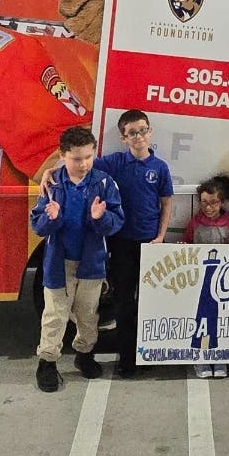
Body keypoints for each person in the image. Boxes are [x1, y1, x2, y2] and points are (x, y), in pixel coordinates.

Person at [30, 125, 123, 393]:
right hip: (59, 265)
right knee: (55, 316)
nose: (83, 164)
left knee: (87, 315)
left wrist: (100, 218)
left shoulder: (104, 183)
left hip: (91, 264)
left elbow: (116, 221)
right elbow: (38, 225)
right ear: (63, 155)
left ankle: (84, 354)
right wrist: (52, 217)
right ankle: (47, 363)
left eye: (88, 157)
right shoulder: (52, 184)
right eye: (76, 158)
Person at [93, 109, 175, 377]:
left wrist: (161, 237)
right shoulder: (115, 163)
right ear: (123, 137)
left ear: (149, 132)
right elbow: (80, 164)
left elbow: (166, 204)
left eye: (142, 130)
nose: (138, 136)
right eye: (132, 133)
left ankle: (151, 353)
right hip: (122, 244)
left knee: (153, 302)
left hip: (151, 244)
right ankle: (128, 359)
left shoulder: (160, 167)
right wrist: (50, 172)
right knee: (125, 303)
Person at [185, 174, 229, 379]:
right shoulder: (195, 223)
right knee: (202, 319)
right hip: (201, 282)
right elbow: (187, 245)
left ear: (222, 202)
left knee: (221, 319)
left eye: (214, 202)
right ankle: (201, 356)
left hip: (222, 283)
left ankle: (219, 354)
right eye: (204, 202)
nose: (209, 207)